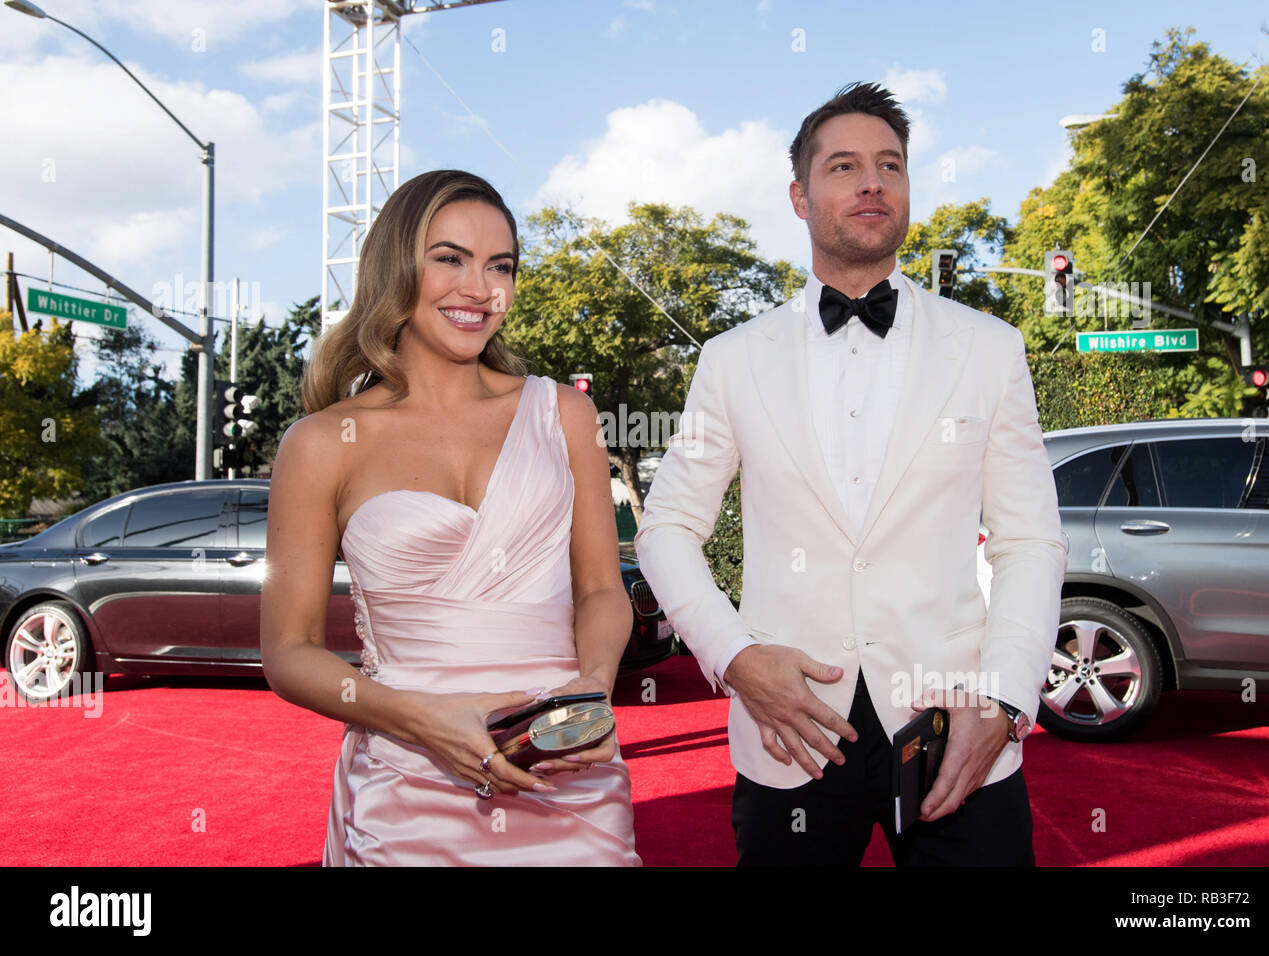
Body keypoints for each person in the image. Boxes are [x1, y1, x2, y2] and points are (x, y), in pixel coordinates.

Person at [634, 82, 1066, 866]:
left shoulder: (990, 346)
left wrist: (1003, 699)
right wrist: (735, 658)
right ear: (800, 197)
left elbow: (1030, 540)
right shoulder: (731, 360)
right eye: (844, 166)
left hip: (956, 724)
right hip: (790, 728)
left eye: (890, 165)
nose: (872, 182)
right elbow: (666, 528)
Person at [260, 169, 641, 866]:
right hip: (408, 797)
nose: (480, 288)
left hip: (566, 769)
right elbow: (288, 652)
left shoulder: (565, 414)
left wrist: (591, 689)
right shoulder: (320, 444)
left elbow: (598, 590)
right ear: (395, 267)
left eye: (501, 266)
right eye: (450, 259)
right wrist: (421, 722)